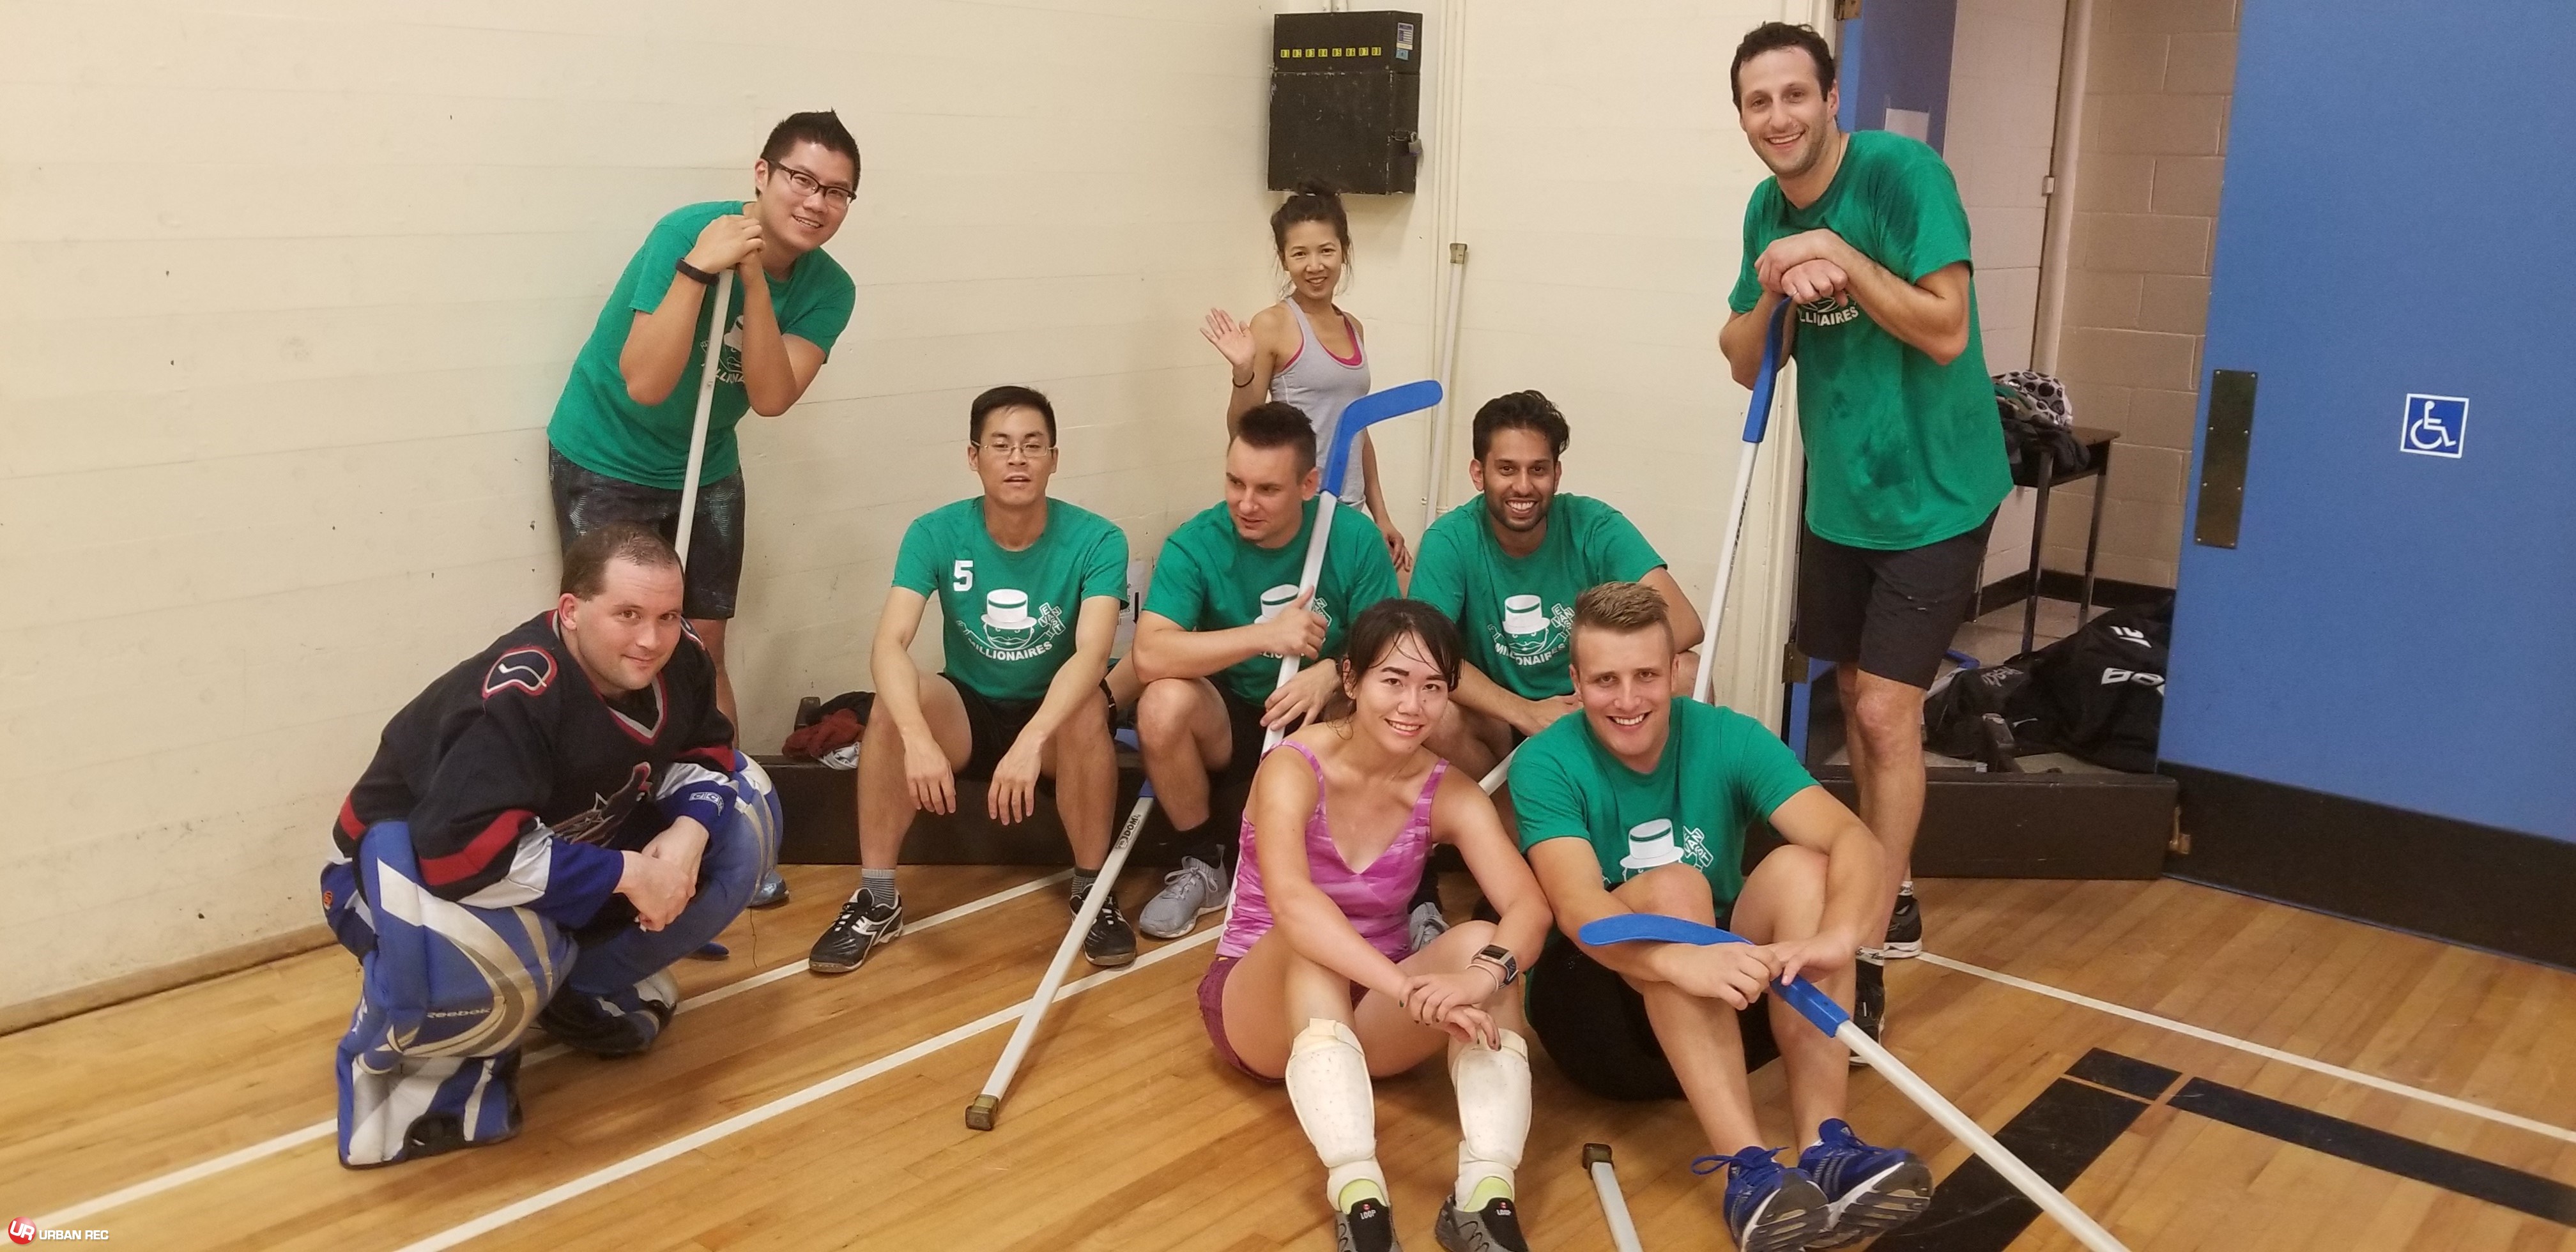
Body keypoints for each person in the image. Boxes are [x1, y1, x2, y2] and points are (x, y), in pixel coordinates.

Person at [1716, 22, 2013, 1037]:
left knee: (1886, 714)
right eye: (1759, 103)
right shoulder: (1766, 209)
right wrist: (1770, 284)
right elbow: (1740, 357)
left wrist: (1838, 253)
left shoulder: (1902, 178)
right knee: (1852, 691)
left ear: (1831, 97)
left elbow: (1945, 327)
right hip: (1842, 495)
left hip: (1936, 490)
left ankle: (1875, 931)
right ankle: (1902, 876)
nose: (1778, 119)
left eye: (1795, 96)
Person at [318, 524, 780, 1167]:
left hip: (549, 843)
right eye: (627, 614)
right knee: (485, 948)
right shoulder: (519, 694)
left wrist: (685, 836)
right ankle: (422, 1075)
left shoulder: (684, 658)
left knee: (748, 809)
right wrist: (629, 873)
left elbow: (706, 752)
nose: (652, 639)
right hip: (400, 869)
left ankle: (574, 988)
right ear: (571, 611)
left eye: (668, 615)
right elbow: (461, 853)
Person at [1509, 583, 1929, 1251]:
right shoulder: (1545, 761)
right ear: (1575, 681)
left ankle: (1828, 1148)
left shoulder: (1729, 735)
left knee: (1808, 869)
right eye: (1606, 680)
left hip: (1727, 995)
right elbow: (1579, 907)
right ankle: (1750, 1172)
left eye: (1646, 675)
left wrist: (1840, 937)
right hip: (1600, 1017)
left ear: (1675, 670)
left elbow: (1854, 840)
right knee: (1676, 886)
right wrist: (1680, 959)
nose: (1627, 700)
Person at [1199, 600, 1553, 1252]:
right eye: (1393, 680)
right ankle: (1359, 1197)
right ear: (1351, 679)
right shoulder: (1292, 767)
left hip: (1374, 1009)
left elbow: (1529, 908)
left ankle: (1484, 1191)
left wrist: (1480, 978)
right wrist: (1404, 987)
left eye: (1432, 688)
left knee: (1486, 945)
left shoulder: (1448, 793)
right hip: (1263, 1000)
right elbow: (1297, 908)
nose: (1413, 705)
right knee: (1314, 942)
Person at [545, 110, 862, 732]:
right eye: (801, 179)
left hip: (704, 461)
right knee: (612, 648)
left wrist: (755, 280)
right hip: (606, 454)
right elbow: (645, 381)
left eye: (836, 191)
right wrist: (698, 270)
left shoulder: (832, 289)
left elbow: (772, 398)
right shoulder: (685, 232)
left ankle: (719, 792)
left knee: (703, 643)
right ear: (763, 174)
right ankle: (609, 800)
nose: (816, 202)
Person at [807, 386, 1132, 974]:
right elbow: (889, 643)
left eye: (1033, 446)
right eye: (1001, 445)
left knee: (1088, 705)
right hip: (970, 710)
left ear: (1054, 459)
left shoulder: (1098, 538)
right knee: (891, 701)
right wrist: (918, 736)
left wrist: (1033, 740)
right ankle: (877, 899)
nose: (1017, 459)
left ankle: (1092, 891)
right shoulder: (934, 533)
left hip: (1052, 714)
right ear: (973, 456)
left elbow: (1093, 652)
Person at [1124, 402, 1402, 940]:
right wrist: (1266, 636)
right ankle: (1205, 866)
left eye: (1267, 490)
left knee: (1376, 700)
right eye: (1235, 482)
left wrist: (1331, 672)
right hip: (1231, 716)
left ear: (1308, 484)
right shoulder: (1197, 541)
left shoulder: (1353, 539)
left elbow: (1389, 649)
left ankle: (1375, 877)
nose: (1244, 504)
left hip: (1322, 713)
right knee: (1161, 704)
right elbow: (1151, 655)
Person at [1411, 389, 1706, 781]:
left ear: (1557, 474)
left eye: (1538, 469)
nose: (1523, 486)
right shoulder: (1450, 539)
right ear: (1478, 474)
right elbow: (1424, 655)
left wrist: (1596, 693)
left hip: (1590, 709)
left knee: (1687, 673)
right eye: (1506, 469)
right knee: (1435, 708)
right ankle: (1501, 817)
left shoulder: (1593, 524)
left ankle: (1650, 801)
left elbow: (1685, 623)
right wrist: (1524, 711)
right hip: (1498, 721)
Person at [1199, 181, 1412, 575]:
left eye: (1326, 251)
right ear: (1284, 260)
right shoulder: (1273, 324)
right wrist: (1243, 372)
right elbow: (1244, 429)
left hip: (1348, 507)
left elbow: (1358, 428)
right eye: (1300, 254)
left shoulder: (1354, 328)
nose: (1315, 266)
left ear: (1343, 252)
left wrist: (1381, 514)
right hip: (1297, 505)